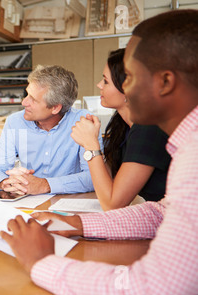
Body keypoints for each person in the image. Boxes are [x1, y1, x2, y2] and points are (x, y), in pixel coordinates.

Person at [1, 9, 198, 295]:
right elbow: (164, 211)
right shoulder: (186, 144)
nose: (122, 86)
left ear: (165, 82)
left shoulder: (192, 155)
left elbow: (154, 289)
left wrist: (40, 262)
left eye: (128, 76)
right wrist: (78, 223)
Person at [70, 49, 171, 211]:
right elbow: (107, 178)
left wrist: (90, 145)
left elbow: (112, 204)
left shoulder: (149, 128)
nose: (99, 85)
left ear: (128, 88)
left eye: (105, 81)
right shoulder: (121, 125)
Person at [0, 65, 101, 195]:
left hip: (70, 201)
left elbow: (94, 178)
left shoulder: (83, 122)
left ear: (55, 108)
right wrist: (6, 182)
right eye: (27, 94)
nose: (24, 102)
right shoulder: (15, 122)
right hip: (28, 201)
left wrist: (44, 185)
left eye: (33, 99)